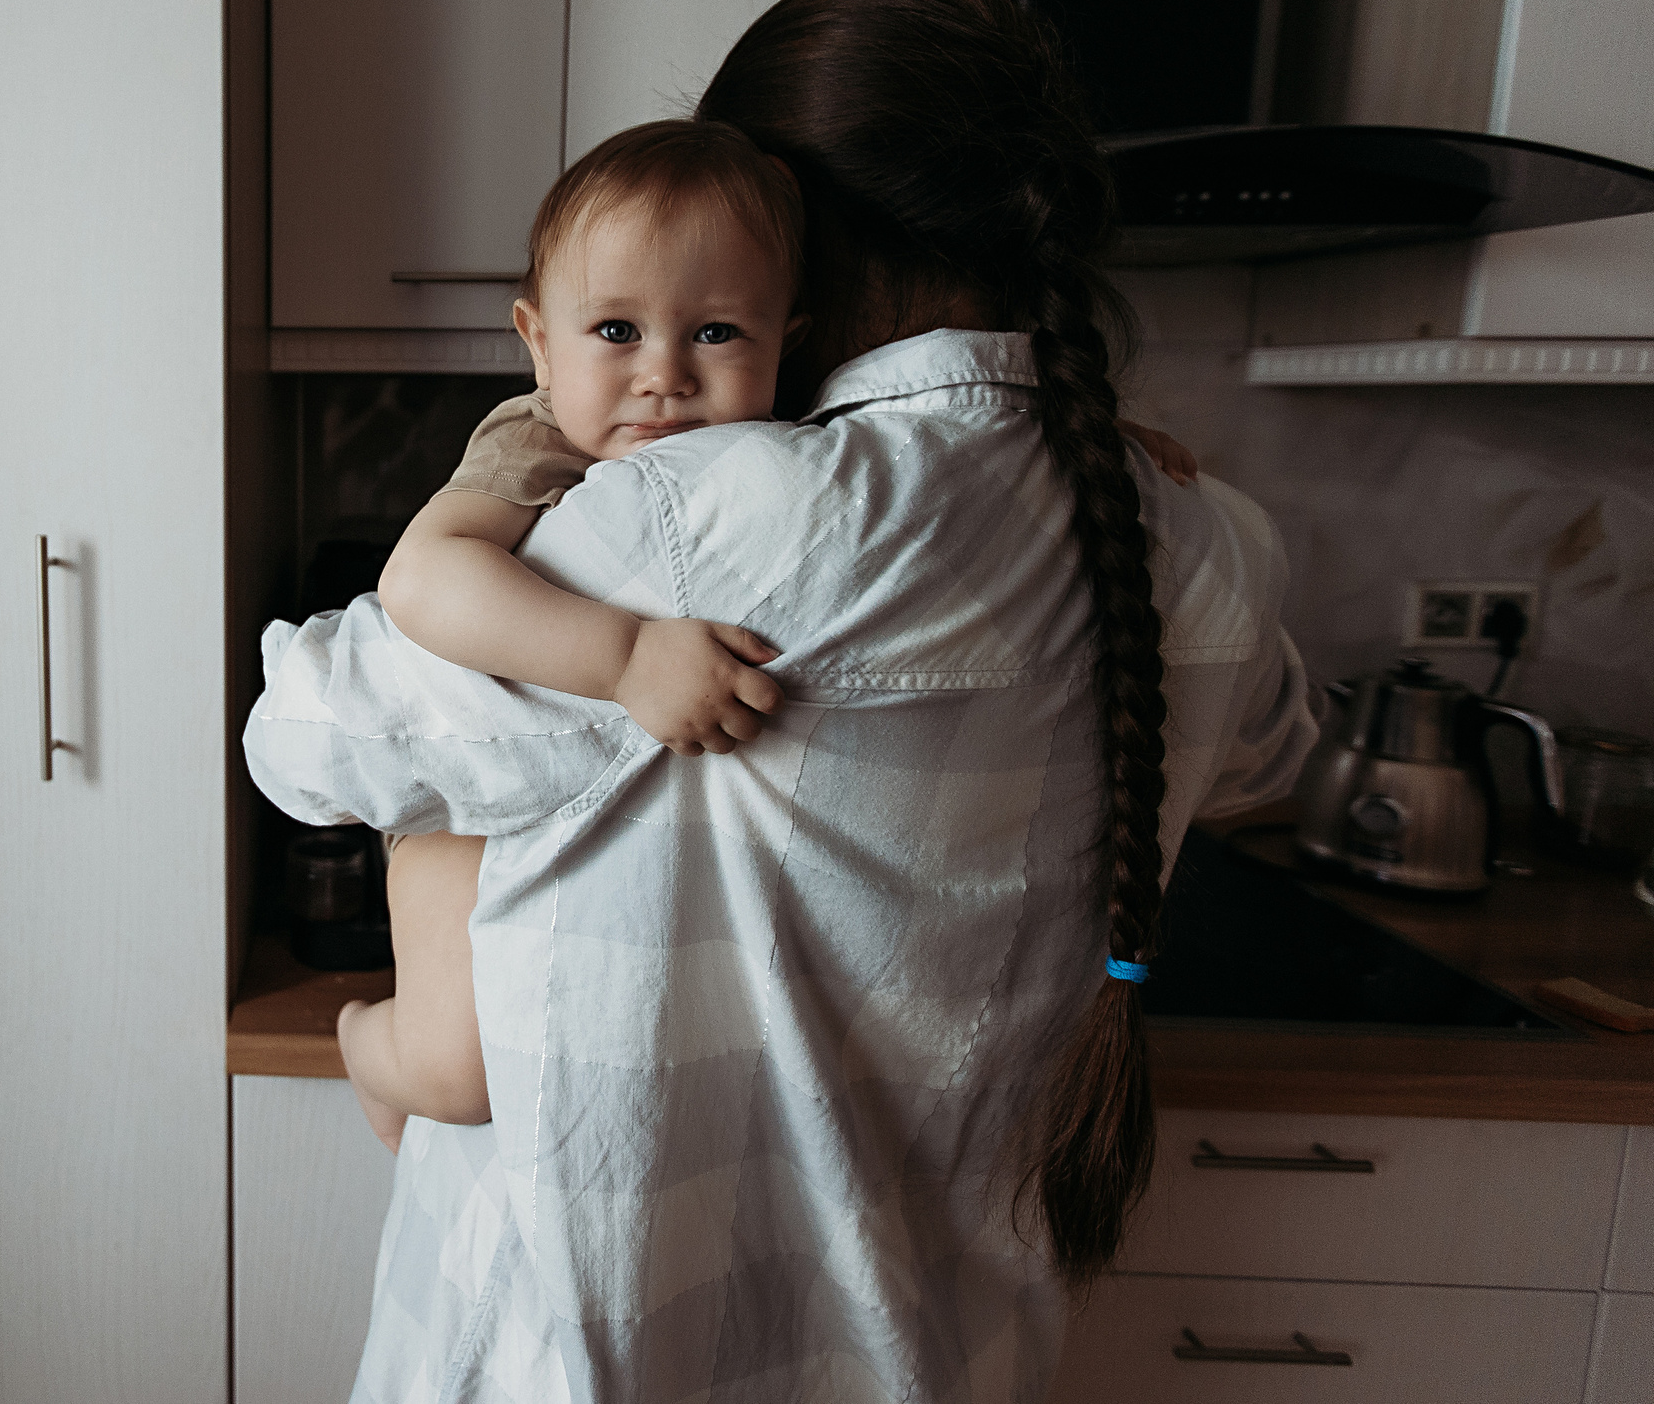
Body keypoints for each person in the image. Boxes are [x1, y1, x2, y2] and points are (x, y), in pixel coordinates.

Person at [244, 0, 1315, 1402]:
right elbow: (1270, 760)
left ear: (788, 235)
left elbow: (310, 739)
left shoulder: (707, 512)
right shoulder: (1203, 535)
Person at [348, 122, 1201, 1155]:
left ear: (786, 338)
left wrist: (1096, 433)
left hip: (591, 828)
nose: (664, 373)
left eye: (715, 332)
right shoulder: (532, 439)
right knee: (454, 1073)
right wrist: (626, 657)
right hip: (465, 812)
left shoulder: (780, 436)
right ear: (537, 339)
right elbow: (422, 579)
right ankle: (363, 1045)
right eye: (615, 330)